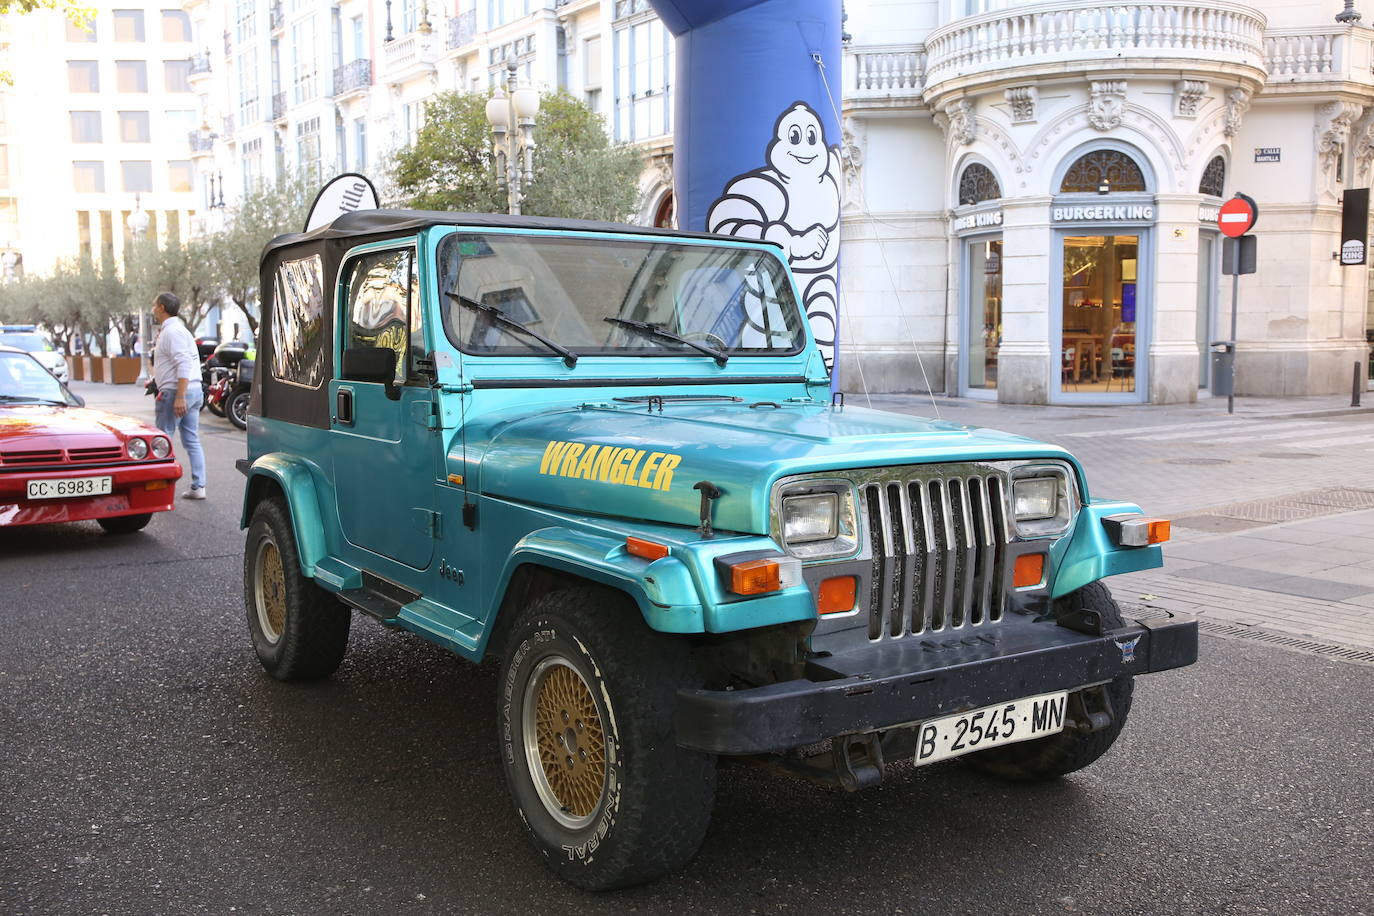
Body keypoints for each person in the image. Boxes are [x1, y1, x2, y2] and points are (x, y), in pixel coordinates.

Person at [151, 291, 206, 499]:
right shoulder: (180, 330)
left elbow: (184, 363)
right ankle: (198, 486)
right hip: (192, 389)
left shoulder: (171, 332)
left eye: (154, 305)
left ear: (162, 308)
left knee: (162, 440)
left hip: (177, 392)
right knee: (191, 439)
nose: (153, 309)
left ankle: (159, 489)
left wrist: (179, 396)